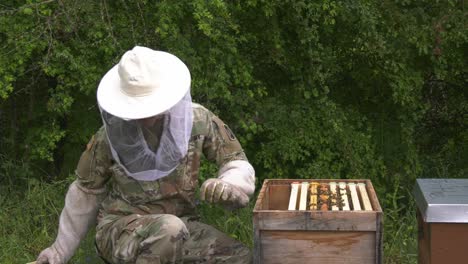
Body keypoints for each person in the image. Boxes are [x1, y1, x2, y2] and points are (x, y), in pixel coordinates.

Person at [36, 46, 256, 264]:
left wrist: (230, 185)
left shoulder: (197, 119)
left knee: (239, 257)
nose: (144, 116)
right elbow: (85, 192)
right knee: (169, 228)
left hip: (181, 226)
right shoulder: (109, 136)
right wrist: (58, 252)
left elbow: (236, 162)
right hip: (121, 230)